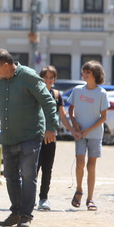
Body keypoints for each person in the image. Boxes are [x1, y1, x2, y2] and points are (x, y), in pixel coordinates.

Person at [0, 49, 59, 227]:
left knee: (28, 175)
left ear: (6, 65)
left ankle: (26, 215)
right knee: (10, 176)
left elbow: (48, 101)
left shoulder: (29, 76)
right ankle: (16, 211)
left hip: (31, 135)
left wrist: (51, 127)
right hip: (9, 137)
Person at [67, 60, 109, 211]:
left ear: (96, 75)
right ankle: (79, 190)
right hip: (80, 134)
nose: (84, 74)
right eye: (83, 72)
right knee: (79, 163)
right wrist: (73, 122)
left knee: (91, 166)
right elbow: (70, 110)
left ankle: (90, 198)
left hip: (95, 135)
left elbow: (104, 117)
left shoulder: (102, 93)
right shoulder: (77, 90)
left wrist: (88, 129)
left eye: (87, 72)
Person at [37, 65, 72, 211]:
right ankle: (27, 198)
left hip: (51, 137)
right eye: (46, 77)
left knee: (47, 168)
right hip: (36, 135)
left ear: (54, 79)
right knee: (32, 168)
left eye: (51, 77)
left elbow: (62, 115)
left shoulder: (57, 95)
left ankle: (43, 198)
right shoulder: (35, 92)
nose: (48, 80)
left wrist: (72, 131)